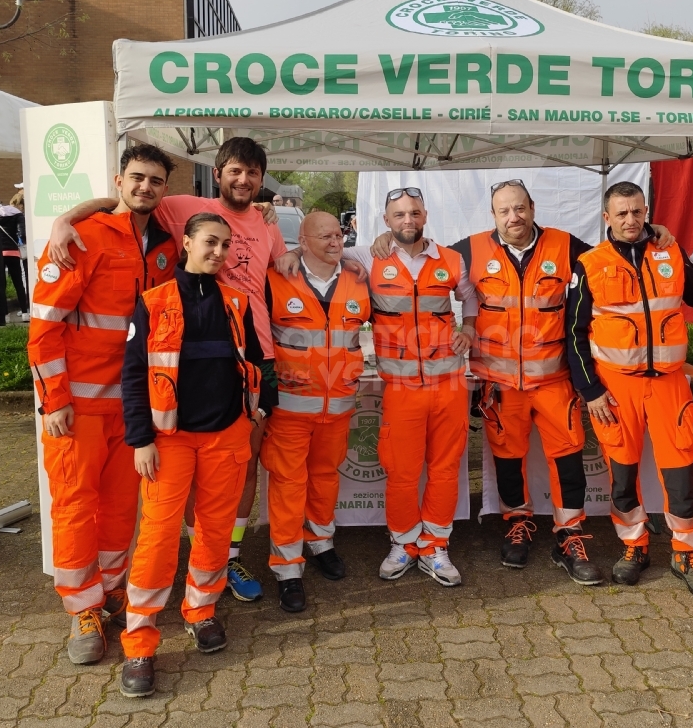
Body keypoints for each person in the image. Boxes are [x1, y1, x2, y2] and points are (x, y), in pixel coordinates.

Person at [47, 137, 286, 604]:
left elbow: (284, 268)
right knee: (167, 475)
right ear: (216, 174)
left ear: (261, 180)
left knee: (242, 464)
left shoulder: (267, 222)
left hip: (252, 353)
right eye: (235, 170)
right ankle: (149, 579)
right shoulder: (180, 207)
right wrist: (66, 218)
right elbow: (128, 199)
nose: (244, 180)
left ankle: (223, 556)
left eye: (253, 173)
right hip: (174, 363)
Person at [363, 179, 605, 584]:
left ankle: (570, 534)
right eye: (504, 211)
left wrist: (654, 235)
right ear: (493, 216)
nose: (514, 217)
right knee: (508, 460)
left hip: (553, 380)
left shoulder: (565, 245)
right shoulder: (469, 251)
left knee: (567, 457)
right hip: (500, 383)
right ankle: (518, 524)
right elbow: (421, 253)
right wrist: (387, 236)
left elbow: (611, 260)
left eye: (520, 208)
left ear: (532, 206)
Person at [26, 145, 179, 668]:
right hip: (79, 409)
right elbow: (44, 327)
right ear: (119, 179)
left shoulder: (164, 244)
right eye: (137, 178)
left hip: (133, 410)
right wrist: (55, 400)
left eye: (156, 181)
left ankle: (112, 591)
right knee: (74, 506)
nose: (145, 187)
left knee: (119, 508)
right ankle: (82, 608)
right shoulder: (82, 238)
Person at [285, 187, 476, 586]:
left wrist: (470, 327)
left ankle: (436, 546)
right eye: (399, 215)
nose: (408, 220)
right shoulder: (366, 257)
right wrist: (290, 252)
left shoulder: (452, 260)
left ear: (425, 215)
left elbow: (470, 297)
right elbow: (322, 250)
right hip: (402, 388)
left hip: (450, 386)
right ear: (386, 221)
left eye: (414, 212)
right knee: (402, 473)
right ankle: (404, 542)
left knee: (444, 471)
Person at [118, 212, 267, 696]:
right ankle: (139, 642)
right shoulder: (154, 302)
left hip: (226, 434)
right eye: (210, 242)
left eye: (226, 245)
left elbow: (254, 361)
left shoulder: (236, 301)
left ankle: (201, 611)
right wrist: (141, 438)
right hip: (169, 440)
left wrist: (255, 410)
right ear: (186, 243)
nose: (219, 253)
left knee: (215, 532)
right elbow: (134, 375)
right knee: (158, 539)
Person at [566, 181, 693, 598]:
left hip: (670, 384)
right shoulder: (589, 264)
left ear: (646, 209)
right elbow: (574, 334)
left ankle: (685, 553)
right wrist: (590, 390)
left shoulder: (669, 251)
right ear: (607, 218)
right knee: (622, 476)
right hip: (616, 389)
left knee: (683, 474)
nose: (630, 221)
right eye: (621, 214)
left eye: (636, 212)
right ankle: (634, 547)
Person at [261, 211, 370, 612]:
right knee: (289, 485)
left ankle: (321, 543)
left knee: (325, 478)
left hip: (338, 407)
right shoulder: (274, 278)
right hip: (290, 410)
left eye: (338, 234)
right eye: (322, 236)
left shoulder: (359, 278)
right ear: (301, 242)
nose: (334, 241)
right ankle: (288, 569)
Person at [0, 192, 29, 319]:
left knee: (1, 284)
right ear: (20, 204)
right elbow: (22, 233)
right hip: (13, 252)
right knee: (18, 283)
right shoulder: (18, 215)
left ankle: (4, 315)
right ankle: (25, 313)